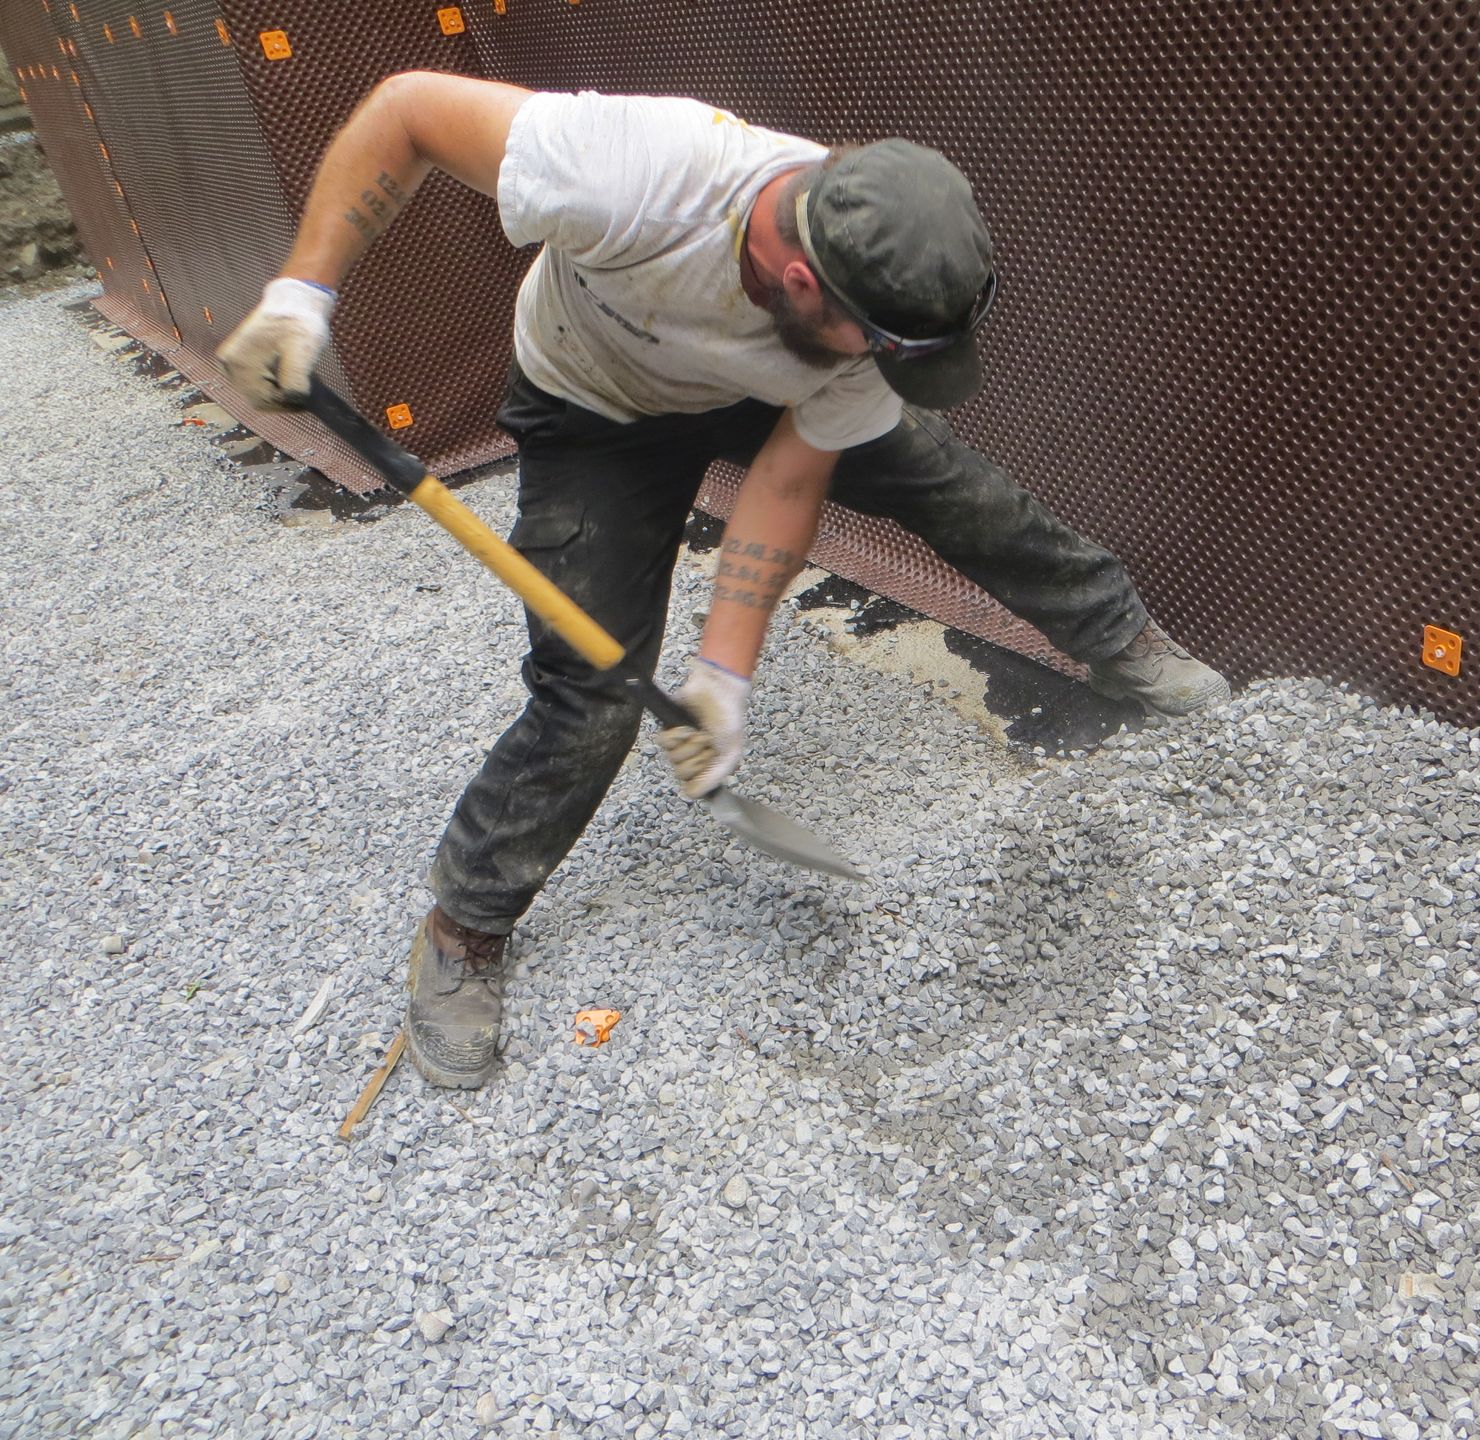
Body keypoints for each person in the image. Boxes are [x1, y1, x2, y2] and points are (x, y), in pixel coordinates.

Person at [218, 72, 1229, 1089]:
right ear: (801, 281)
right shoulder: (632, 173)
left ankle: (1120, 638)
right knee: (590, 692)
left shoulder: (859, 324)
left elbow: (789, 477)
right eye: (877, 345)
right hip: (592, 407)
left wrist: (723, 680)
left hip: (758, 389)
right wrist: (303, 294)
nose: (886, 362)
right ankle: (466, 925)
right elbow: (407, 111)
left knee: (954, 486)